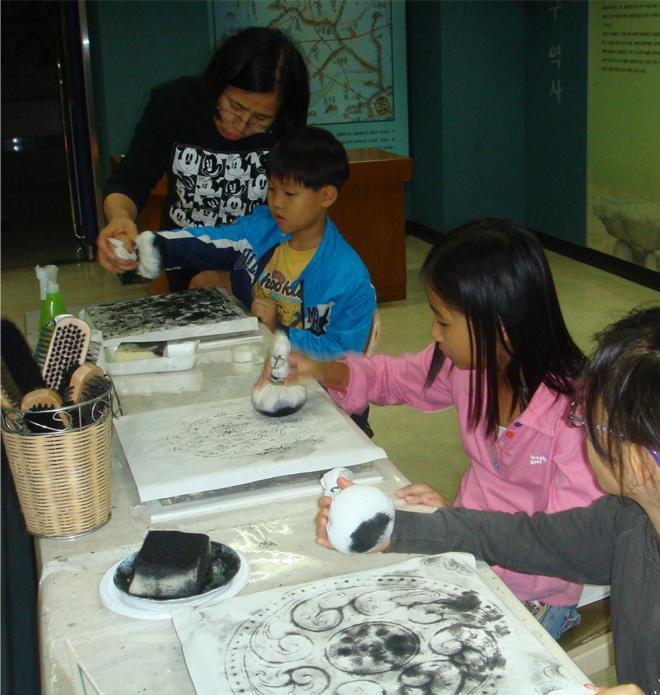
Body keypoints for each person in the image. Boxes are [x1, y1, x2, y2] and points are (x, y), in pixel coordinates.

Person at [317, 304, 660, 693]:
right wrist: (394, 528)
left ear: (644, 459)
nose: (579, 427)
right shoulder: (633, 520)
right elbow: (523, 536)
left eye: (589, 420)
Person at [285, 219, 604, 639]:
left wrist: (453, 524)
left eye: (443, 321)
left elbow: (564, 544)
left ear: (500, 327)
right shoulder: (468, 367)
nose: (434, 334)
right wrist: (322, 370)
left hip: (532, 592)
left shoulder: (574, 416)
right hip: (466, 553)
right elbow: (394, 378)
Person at [103, 125, 375, 359]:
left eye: (290, 194)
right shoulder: (262, 229)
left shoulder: (348, 277)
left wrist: (280, 329)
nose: (276, 203)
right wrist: (152, 248)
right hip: (259, 365)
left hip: (320, 396)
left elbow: (345, 357)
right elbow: (210, 242)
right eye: (271, 189)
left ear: (327, 196)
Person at [96, 26, 310, 293]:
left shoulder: (286, 126)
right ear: (218, 82)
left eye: (260, 119)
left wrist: (239, 277)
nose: (240, 126)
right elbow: (130, 180)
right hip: (187, 265)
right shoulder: (174, 105)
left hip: (263, 268)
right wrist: (119, 218)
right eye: (235, 107)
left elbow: (300, 216)